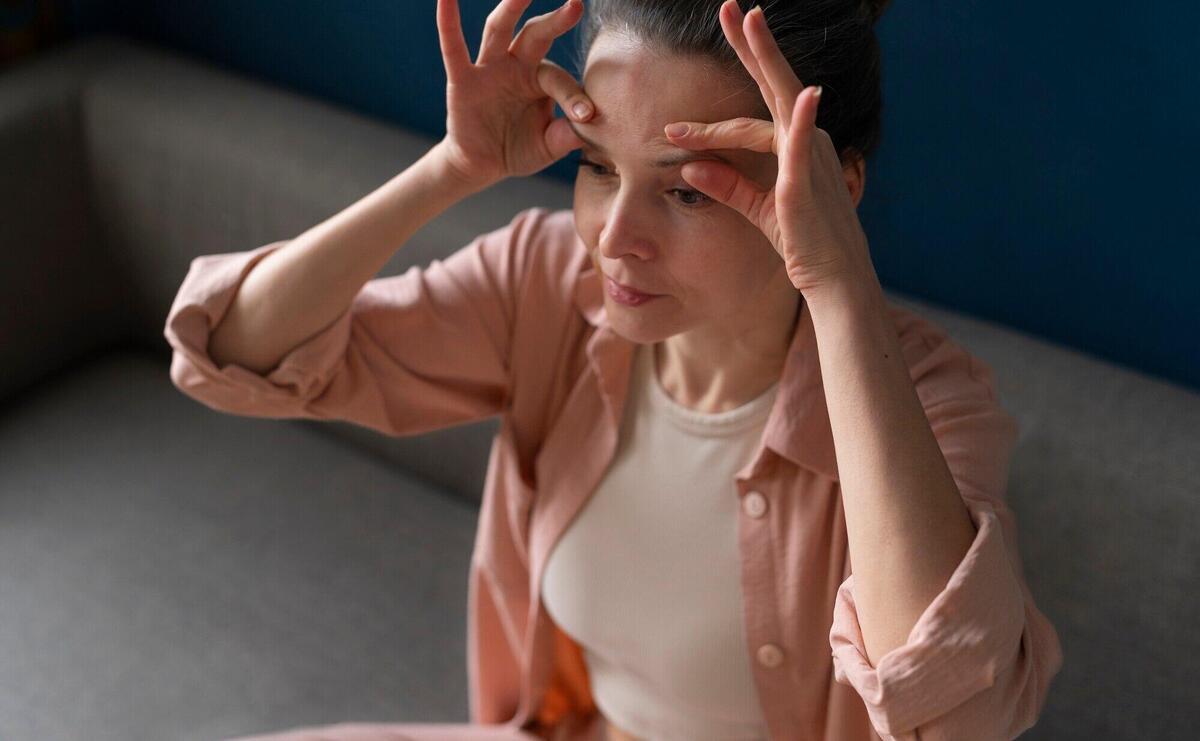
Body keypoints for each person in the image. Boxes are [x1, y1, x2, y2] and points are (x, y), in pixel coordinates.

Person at [163, 0, 1064, 739]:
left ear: (831, 185)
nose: (615, 240)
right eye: (597, 167)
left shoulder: (935, 402)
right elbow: (237, 351)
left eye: (685, 190)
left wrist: (839, 287)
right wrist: (451, 168)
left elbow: (955, 711)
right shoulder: (548, 282)